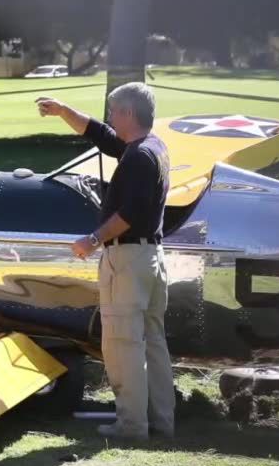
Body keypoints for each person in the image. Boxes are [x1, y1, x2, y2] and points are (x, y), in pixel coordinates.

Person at [35, 83, 175, 440]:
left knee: (123, 343)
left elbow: (131, 212)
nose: (110, 118)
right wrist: (65, 111)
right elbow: (100, 135)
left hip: (127, 258)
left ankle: (131, 426)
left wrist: (93, 240)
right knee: (153, 342)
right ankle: (161, 421)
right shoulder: (149, 147)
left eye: (114, 111)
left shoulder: (139, 157)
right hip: (150, 258)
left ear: (128, 114)